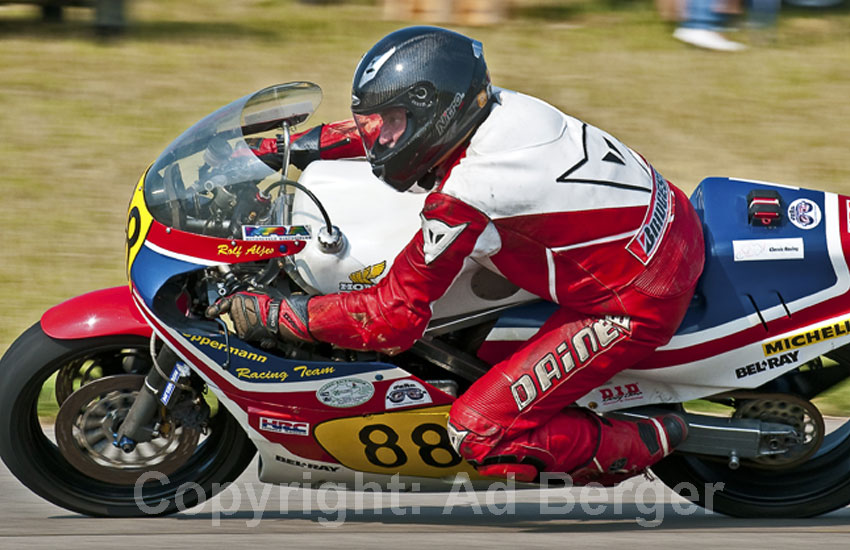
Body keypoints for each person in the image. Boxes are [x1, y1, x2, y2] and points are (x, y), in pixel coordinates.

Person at [210, 26, 705, 486]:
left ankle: (640, 440)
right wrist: (287, 148)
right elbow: (379, 132)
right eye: (378, 122)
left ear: (437, 114)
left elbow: (392, 317)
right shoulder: (496, 106)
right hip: (664, 216)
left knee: (477, 434)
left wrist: (281, 315)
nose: (380, 135)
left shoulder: (471, 194)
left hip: (635, 300)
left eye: (395, 122)